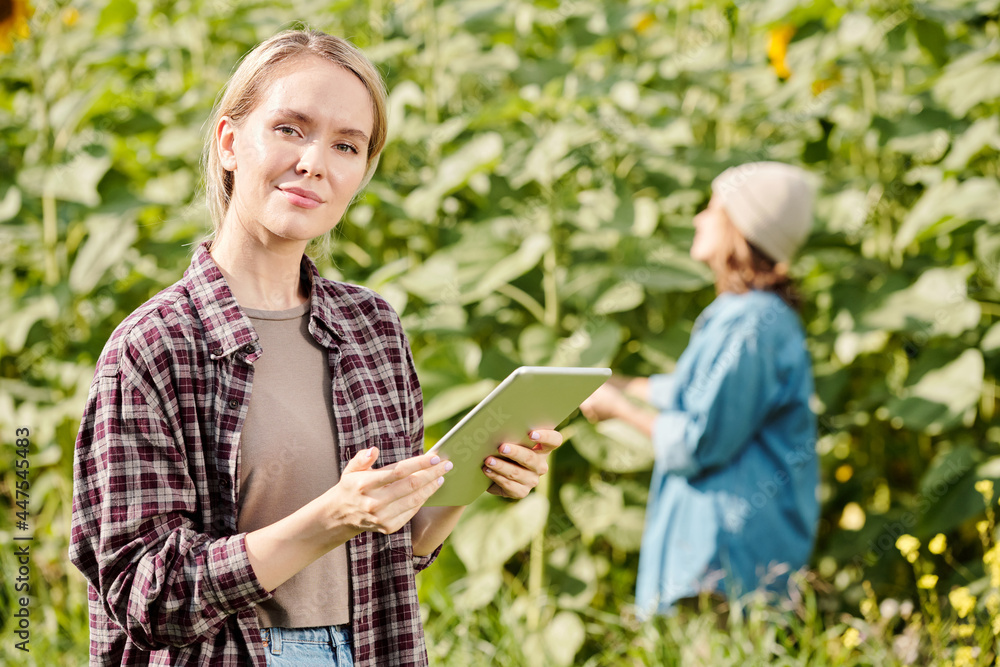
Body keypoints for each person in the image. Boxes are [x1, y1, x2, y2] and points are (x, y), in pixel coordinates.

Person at [69, 29, 562, 667]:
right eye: (290, 129)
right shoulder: (155, 347)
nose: (315, 162)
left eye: (346, 145)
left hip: (370, 649)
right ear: (228, 143)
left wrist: (471, 478)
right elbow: (146, 596)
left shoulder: (372, 328)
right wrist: (326, 520)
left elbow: (394, 553)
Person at [580, 162, 819, 616]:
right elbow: (699, 392)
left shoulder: (750, 326)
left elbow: (700, 440)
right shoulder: (749, 315)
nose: (698, 219)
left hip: (727, 557)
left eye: (712, 209)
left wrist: (619, 408)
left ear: (740, 228)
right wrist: (627, 384)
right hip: (728, 551)